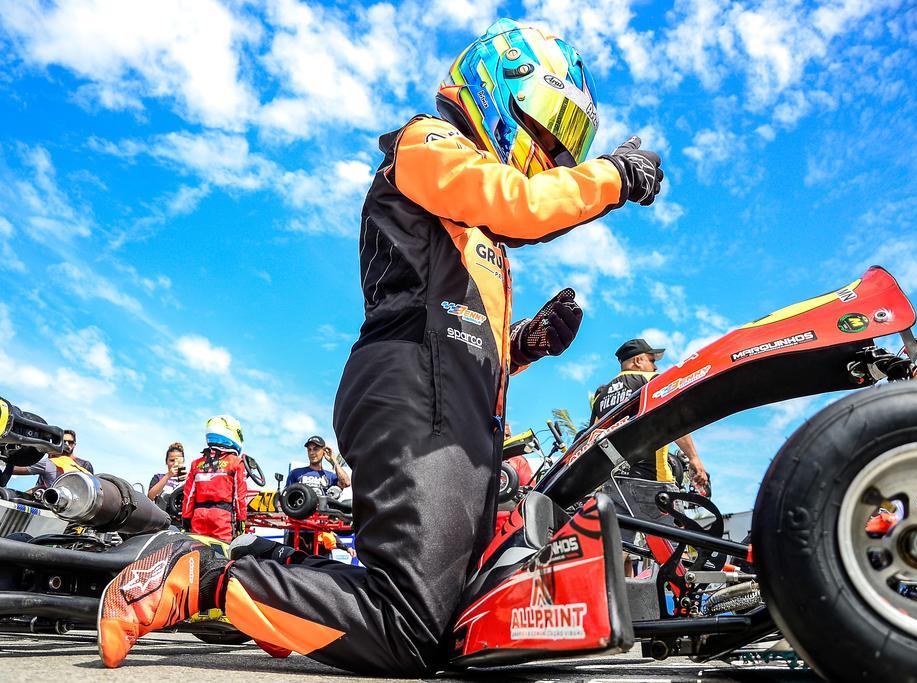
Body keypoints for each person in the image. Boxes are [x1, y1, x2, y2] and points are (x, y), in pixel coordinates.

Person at [98, 18, 664, 674]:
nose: (549, 155)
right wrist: (612, 177)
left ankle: (254, 577)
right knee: (410, 627)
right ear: (499, 89)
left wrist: (527, 342)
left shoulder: (474, 228)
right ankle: (201, 577)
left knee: (461, 621)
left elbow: (465, 340)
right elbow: (521, 205)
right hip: (409, 396)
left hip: (451, 414)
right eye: (544, 132)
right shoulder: (426, 141)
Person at [591, 338, 709, 576]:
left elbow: (592, 436)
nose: (656, 367)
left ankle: (619, 608)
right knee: (678, 547)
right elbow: (673, 420)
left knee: (615, 552)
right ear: (638, 361)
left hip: (612, 484)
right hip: (651, 481)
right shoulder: (651, 382)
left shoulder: (601, 395)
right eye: (652, 360)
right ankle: (684, 608)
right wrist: (695, 459)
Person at [180, 416, 248, 543]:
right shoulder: (237, 463)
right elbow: (239, 498)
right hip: (222, 518)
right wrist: (241, 521)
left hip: (198, 515)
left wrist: (186, 518)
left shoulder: (196, 464)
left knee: (197, 552)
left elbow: (188, 496)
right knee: (223, 554)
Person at [13, 429, 93, 490]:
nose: (67, 444)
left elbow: (91, 487)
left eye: (70, 442)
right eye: (64, 441)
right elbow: (17, 469)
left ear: (74, 445)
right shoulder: (50, 462)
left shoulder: (84, 464)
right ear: (59, 443)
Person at [287, 435, 351, 493]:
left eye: (315, 449)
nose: (311, 453)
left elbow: (346, 483)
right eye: (309, 449)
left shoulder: (331, 476)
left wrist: (333, 461)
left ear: (324, 451)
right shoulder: (295, 473)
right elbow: (285, 496)